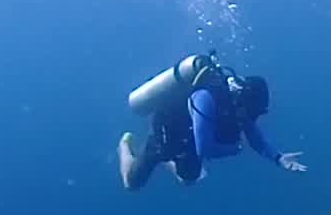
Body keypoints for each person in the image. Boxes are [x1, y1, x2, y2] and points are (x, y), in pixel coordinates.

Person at [118, 59, 306, 190]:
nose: (253, 117)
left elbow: (255, 136)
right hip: (166, 133)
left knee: (189, 179)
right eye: (255, 111)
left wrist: (278, 158)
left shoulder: (241, 105)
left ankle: (171, 162)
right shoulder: (206, 97)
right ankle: (124, 145)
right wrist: (236, 148)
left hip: (189, 140)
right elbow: (204, 149)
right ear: (245, 99)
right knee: (132, 184)